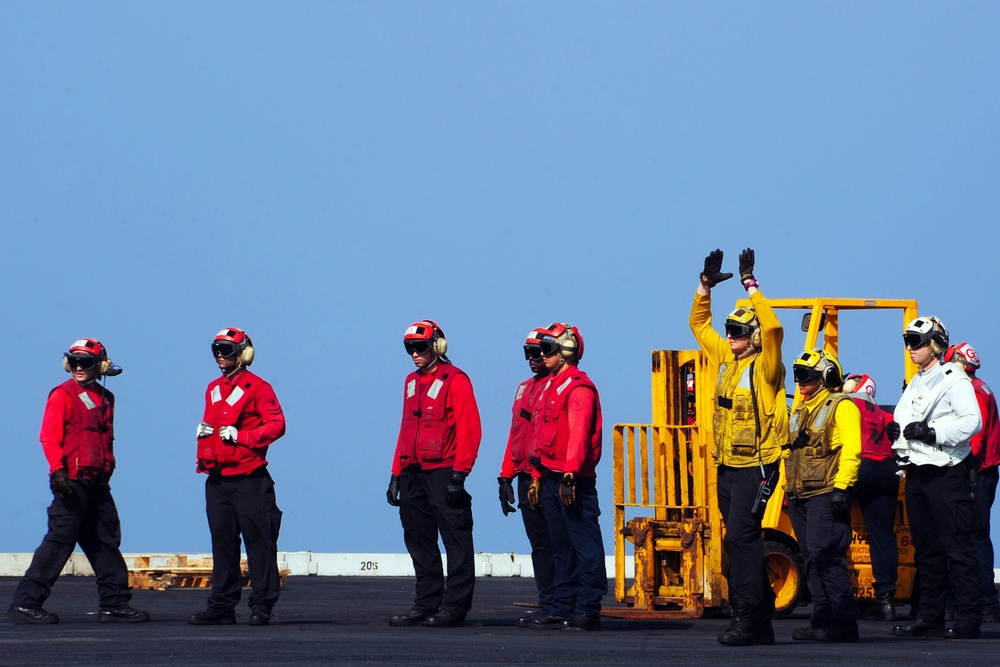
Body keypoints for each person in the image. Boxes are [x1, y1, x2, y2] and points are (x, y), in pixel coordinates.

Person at [8, 339, 149, 625]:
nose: (79, 367)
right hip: (71, 482)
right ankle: (26, 602)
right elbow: (48, 436)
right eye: (74, 362)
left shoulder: (107, 398)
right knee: (59, 540)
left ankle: (114, 604)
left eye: (85, 362)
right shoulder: (62, 394)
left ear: (101, 365)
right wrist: (57, 471)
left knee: (106, 541)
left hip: (97, 483)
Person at [689, 248, 787, 646]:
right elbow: (699, 325)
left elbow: (776, 329)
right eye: (729, 330)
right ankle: (760, 621)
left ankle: (746, 616)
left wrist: (752, 287)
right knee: (737, 538)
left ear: (754, 337)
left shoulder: (767, 366)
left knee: (740, 539)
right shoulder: (726, 360)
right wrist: (705, 287)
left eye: (739, 331)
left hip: (758, 467)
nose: (730, 336)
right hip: (728, 465)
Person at [890, 316, 982, 639]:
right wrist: (896, 438)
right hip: (917, 474)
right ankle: (930, 616)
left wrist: (933, 432)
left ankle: (970, 618)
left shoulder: (953, 379)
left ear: (935, 345)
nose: (910, 347)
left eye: (916, 341)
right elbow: (904, 422)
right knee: (926, 549)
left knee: (957, 547)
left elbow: (973, 422)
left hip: (945, 474)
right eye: (908, 340)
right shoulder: (916, 382)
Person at [386, 320, 482, 628]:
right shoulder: (410, 382)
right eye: (410, 348)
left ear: (438, 345)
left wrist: (459, 475)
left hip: (444, 472)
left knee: (455, 540)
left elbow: (470, 429)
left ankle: (454, 607)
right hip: (413, 473)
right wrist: (396, 473)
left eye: (421, 347)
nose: (415, 354)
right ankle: (426, 603)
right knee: (418, 539)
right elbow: (405, 429)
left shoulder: (456, 380)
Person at [189, 327, 286, 626]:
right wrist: (203, 434)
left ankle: (261, 605)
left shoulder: (259, 388)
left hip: (249, 479)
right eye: (216, 349)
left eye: (227, 350)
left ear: (244, 354)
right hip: (217, 479)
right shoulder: (213, 388)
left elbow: (277, 425)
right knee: (223, 543)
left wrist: (242, 436)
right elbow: (216, 424)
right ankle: (221, 606)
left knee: (259, 543)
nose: (220, 354)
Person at [524, 323, 605, 631]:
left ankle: (588, 608)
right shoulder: (550, 386)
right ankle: (562, 607)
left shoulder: (579, 388)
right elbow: (539, 435)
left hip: (572, 481)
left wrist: (570, 474)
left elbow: (579, 436)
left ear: (565, 351)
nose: (541, 356)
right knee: (560, 545)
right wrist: (535, 475)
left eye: (547, 350)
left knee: (584, 544)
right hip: (549, 477)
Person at [785, 350, 862, 642]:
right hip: (799, 493)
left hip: (826, 492)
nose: (799, 382)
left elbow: (852, 450)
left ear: (826, 377)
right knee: (810, 558)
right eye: (797, 375)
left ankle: (843, 621)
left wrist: (842, 489)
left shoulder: (841, 407)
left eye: (805, 376)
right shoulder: (802, 409)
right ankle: (821, 620)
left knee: (825, 555)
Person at [498, 327, 557, 627]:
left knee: (558, 542)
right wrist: (505, 476)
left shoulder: (557, 387)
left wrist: (535, 475)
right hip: (523, 477)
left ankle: (561, 604)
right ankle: (548, 602)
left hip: (545, 476)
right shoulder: (523, 388)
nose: (532, 359)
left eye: (538, 353)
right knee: (540, 545)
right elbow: (516, 434)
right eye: (528, 353)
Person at [944, 342, 1000, 622]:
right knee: (977, 535)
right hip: (983, 471)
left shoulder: (973, 393)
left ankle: (986, 601)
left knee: (974, 536)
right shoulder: (983, 388)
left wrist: (963, 465)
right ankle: (984, 599)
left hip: (977, 472)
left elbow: (974, 436)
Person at [842, 373, 899, 621]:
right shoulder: (887, 415)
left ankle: (842, 599)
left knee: (835, 530)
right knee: (883, 536)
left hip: (860, 467)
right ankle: (885, 601)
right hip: (887, 471)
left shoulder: (845, 405)